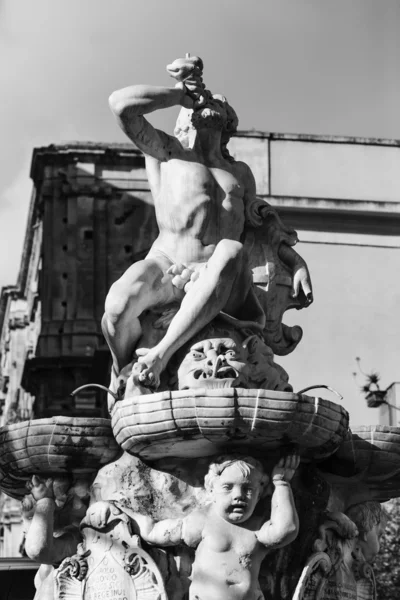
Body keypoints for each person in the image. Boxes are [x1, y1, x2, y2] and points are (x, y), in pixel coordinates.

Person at [102, 55, 312, 391]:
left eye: (216, 101)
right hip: (168, 267)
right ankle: (122, 370)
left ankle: (160, 354)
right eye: (202, 99)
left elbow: (262, 225)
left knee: (231, 249)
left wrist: (295, 261)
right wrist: (177, 94)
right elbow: (120, 105)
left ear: (229, 121)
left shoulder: (239, 173)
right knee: (117, 305)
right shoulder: (165, 153)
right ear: (184, 117)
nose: (209, 101)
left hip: (224, 277)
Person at [87, 454, 299, 600]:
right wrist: (122, 511)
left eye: (248, 489)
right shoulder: (204, 521)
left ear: (261, 493)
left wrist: (281, 484)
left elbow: (285, 530)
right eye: (228, 487)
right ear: (211, 489)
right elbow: (154, 532)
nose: (238, 495)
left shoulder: (258, 528)